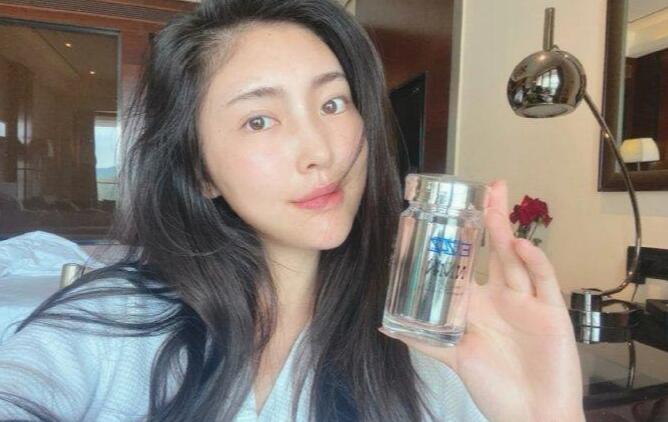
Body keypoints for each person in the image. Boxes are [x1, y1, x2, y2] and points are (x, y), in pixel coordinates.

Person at [0, 0, 585, 420]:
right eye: (259, 119)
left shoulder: (432, 350)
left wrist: (546, 414)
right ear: (201, 171)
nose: (320, 152)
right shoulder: (113, 321)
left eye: (333, 103)